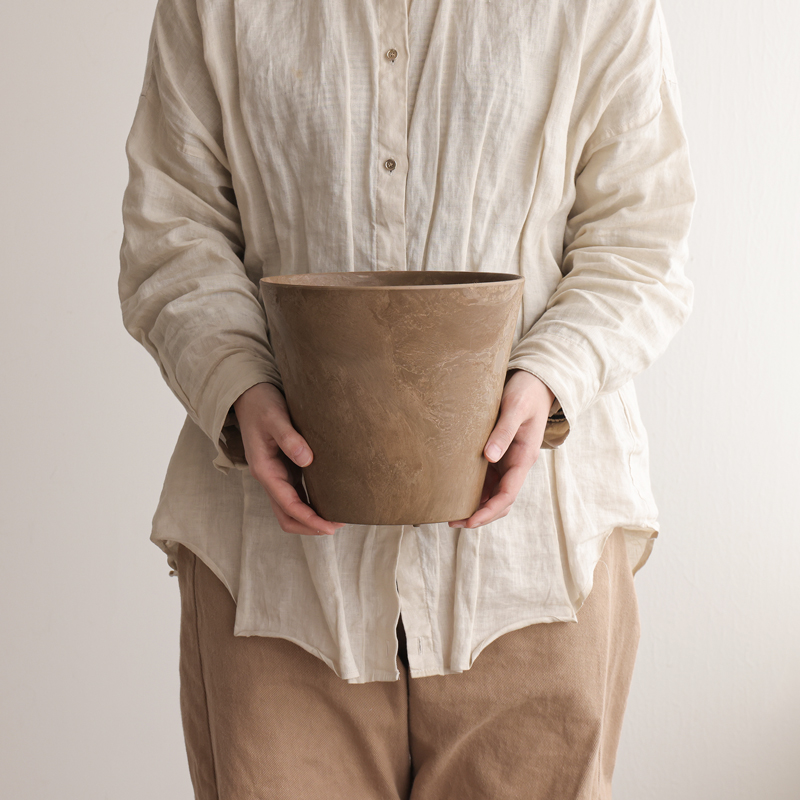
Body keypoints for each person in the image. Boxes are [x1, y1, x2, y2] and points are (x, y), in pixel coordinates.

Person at [118, 0, 695, 797]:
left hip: (533, 571)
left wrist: (549, 375)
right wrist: (237, 383)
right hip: (272, 575)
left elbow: (642, 236)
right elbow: (173, 229)